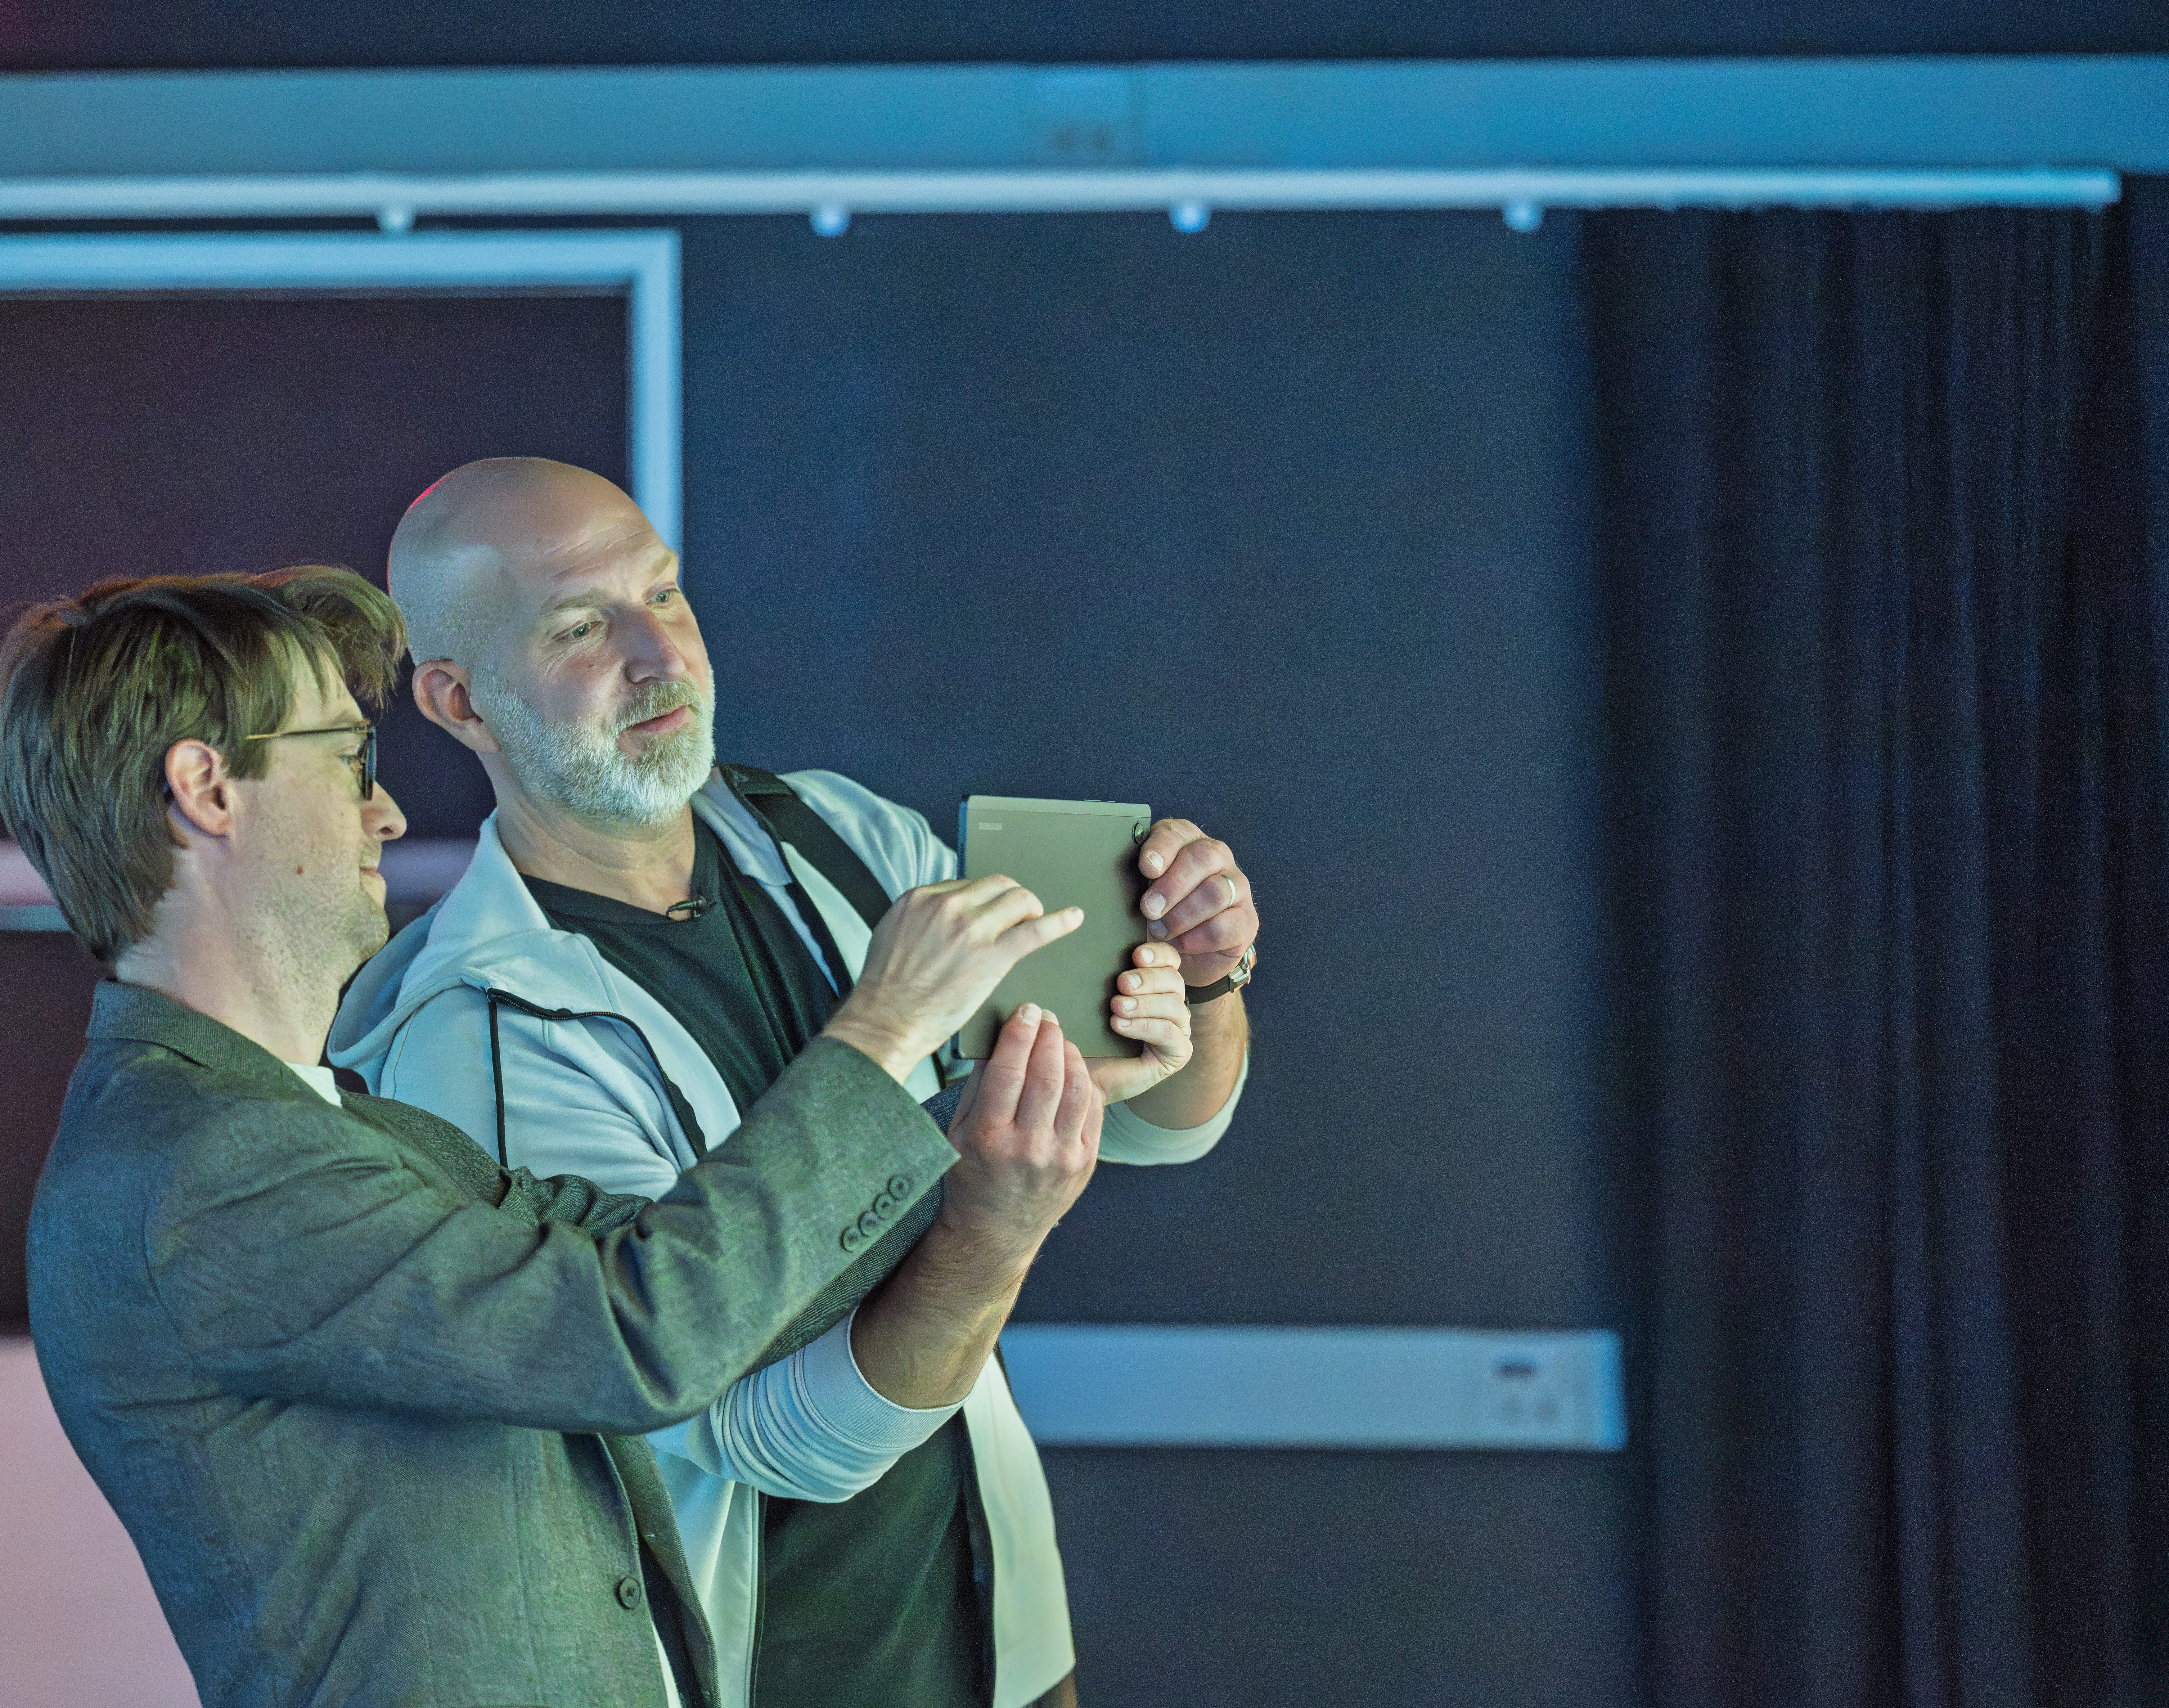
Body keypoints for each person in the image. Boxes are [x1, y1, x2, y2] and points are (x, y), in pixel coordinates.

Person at [10, 565, 1102, 1707]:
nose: (385, 811)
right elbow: (645, 1330)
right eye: (346, 760)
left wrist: (993, 1118)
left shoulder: (329, 1128)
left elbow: (685, 1260)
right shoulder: (204, 1172)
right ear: (208, 789)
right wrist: (881, 1029)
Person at [332, 458, 1260, 1708]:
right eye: (581, 626)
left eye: (665, 593)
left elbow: (1159, 1123)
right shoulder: (474, 1036)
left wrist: (1198, 984)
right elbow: (774, 1440)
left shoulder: (841, 835)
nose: (661, 654)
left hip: (1008, 1654)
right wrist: (988, 1210)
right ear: (459, 701)